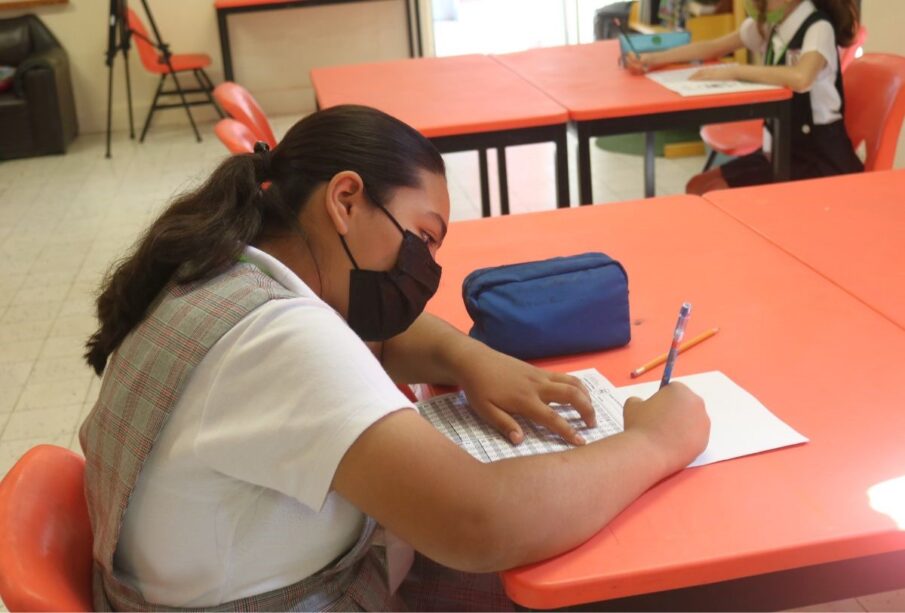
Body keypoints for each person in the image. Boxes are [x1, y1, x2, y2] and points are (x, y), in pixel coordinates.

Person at [80, 104, 709, 611]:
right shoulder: (276, 340)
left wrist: (466, 359)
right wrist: (655, 444)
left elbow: (375, 335)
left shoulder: (222, 271)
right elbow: (479, 521)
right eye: (424, 237)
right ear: (345, 201)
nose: (427, 269)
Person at [625, 0, 863, 194]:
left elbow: (802, 78)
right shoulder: (772, 24)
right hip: (780, 150)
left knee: (715, 194)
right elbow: (713, 47)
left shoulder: (818, 27)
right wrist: (652, 60)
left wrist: (737, 71)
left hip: (819, 159)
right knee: (697, 186)